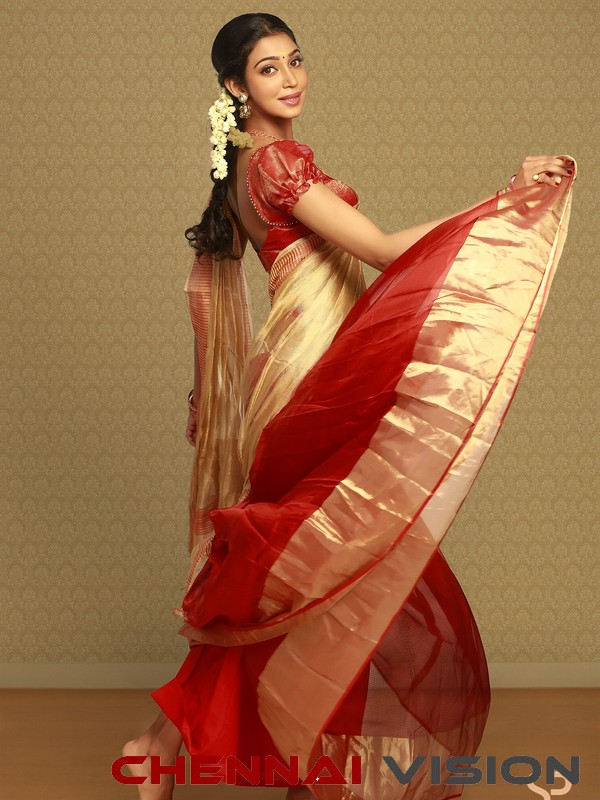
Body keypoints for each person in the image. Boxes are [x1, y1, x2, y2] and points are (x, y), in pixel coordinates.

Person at [120, 12, 576, 800]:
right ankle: (200, 748)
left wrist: (207, 392)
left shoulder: (240, 170)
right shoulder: (278, 162)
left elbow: (209, 286)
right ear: (235, 86)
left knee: (304, 575)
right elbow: (388, 251)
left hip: (300, 369)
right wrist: (505, 201)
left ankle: (198, 752)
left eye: (295, 60)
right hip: (311, 378)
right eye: (268, 68)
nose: (291, 78)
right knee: (333, 565)